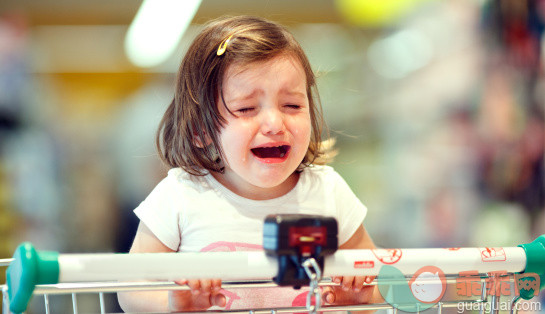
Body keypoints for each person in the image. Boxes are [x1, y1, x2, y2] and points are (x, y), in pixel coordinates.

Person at [117, 15, 379, 313]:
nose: (274, 123)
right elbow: (132, 288)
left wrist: (361, 295)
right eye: (246, 108)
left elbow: (381, 276)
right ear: (201, 131)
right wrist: (174, 303)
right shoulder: (180, 195)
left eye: (292, 105)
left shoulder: (328, 191)